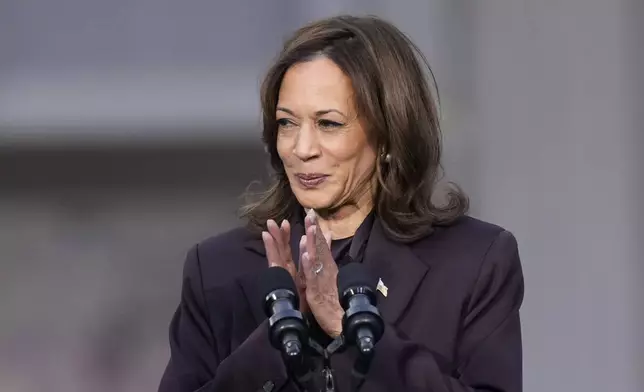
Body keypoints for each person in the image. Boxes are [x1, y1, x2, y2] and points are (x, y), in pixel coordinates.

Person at [159, 15, 524, 392]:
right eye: (287, 123)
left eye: (328, 124)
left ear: (388, 135)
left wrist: (350, 328)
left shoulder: (473, 263)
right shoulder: (217, 269)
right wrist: (278, 334)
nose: (302, 149)